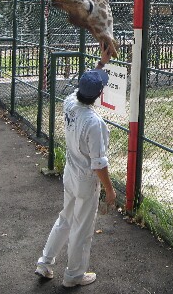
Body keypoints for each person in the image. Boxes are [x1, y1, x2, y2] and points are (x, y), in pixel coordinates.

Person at [35, 47, 115, 288]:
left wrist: (101, 63)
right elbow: (98, 163)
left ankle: (45, 262)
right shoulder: (94, 123)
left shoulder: (70, 103)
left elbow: (87, 83)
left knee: (65, 218)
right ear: (99, 94)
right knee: (82, 228)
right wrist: (109, 190)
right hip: (85, 180)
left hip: (70, 172)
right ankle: (73, 276)